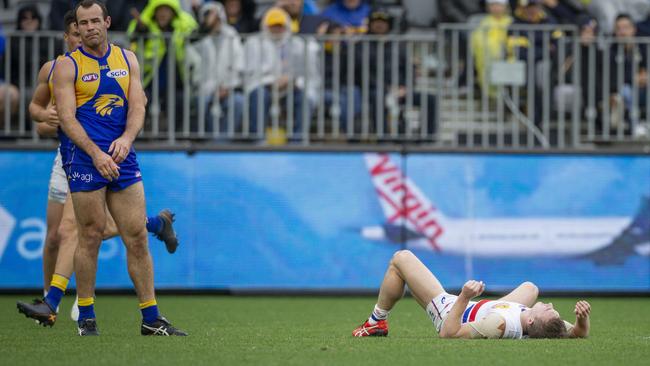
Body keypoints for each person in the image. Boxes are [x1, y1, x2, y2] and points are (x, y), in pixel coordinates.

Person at [17, 10, 180, 326]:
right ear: (70, 33)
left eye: (94, 22)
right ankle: (73, 310)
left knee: (113, 234)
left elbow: (138, 104)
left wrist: (127, 138)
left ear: (107, 23)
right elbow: (47, 115)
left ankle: (148, 317)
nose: (86, 31)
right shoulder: (61, 67)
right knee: (68, 235)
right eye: (81, 26)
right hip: (78, 157)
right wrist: (47, 120)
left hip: (118, 155)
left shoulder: (126, 58)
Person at [352, 250, 591, 339]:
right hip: (490, 308)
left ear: (530, 320)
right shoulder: (543, 325)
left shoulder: (497, 323)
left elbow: (449, 333)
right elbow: (577, 334)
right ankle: (488, 303)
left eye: (547, 309)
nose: (548, 304)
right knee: (531, 288)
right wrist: (582, 319)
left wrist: (464, 296)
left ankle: (376, 322)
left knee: (401, 259)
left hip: (452, 311)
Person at [244, 7, 321, 139]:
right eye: (273, 26)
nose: (277, 29)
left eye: (280, 26)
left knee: (303, 98)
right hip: (263, 87)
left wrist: (293, 81)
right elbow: (250, 73)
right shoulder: (254, 43)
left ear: (287, 26)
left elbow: (308, 74)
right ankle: (257, 140)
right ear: (265, 26)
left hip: (291, 88)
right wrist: (271, 82)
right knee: (260, 95)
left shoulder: (298, 44)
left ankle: (298, 141)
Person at [187, 1, 245, 135]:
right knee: (203, 102)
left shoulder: (231, 35)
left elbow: (238, 64)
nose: (215, 21)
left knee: (238, 101)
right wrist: (206, 28)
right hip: (203, 90)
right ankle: (206, 140)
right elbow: (191, 63)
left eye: (217, 17)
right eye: (209, 17)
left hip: (227, 89)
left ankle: (222, 142)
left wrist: (228, 87)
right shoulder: (197, 38)